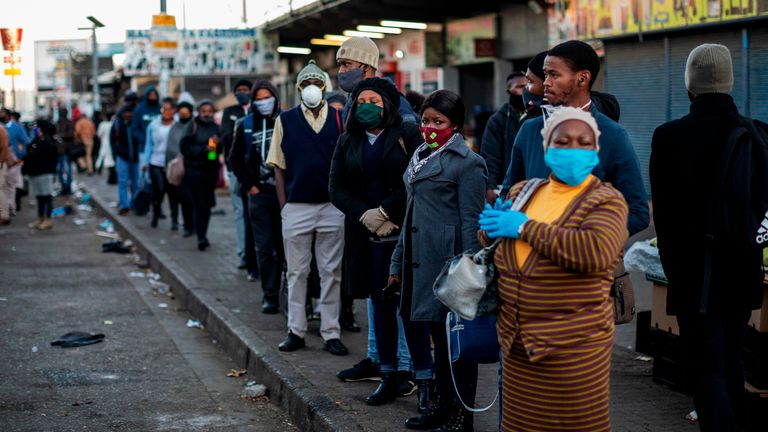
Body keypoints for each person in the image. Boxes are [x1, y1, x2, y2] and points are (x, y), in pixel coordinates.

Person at [480, 107, 628, 432]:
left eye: (583, 141)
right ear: (547, 148)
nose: (573, 148)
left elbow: (596, 252)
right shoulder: (524, 191)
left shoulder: (605, 200)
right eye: (562, 141)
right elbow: (501, 246)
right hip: (519, 346)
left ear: (595, 149)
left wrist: (523, 227)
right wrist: (490, 229)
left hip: (572, 347)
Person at [650, 44, 768, 432]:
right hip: (743, 272)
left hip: (693, 276)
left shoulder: (669, 137)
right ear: (730, 81)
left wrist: (674, 274)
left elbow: (664, 220)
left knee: (705, 371)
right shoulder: (759, 134)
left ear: (689, 84)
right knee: (732, 362)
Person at [388, 90, 487, 431]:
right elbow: (409, 216)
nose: (429, 127)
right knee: (438, 342)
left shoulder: (468, 163)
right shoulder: (419, 155)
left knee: (458, 345)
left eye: (438, 122)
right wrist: (397, 264)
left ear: (455, 125)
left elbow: (472, 220)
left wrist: (469, 271)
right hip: (420, 262)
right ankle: (442, 409)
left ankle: (462, 417)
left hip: (450, 268)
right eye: (425, 120)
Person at [329, 78, 421, 406]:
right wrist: (364, 215)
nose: (367, 106)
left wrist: (385, 210)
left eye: (375, 101)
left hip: (402, 231)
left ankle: (416, 373)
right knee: (379, 303)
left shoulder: (408, 136)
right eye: (361, 100)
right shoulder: (347, 140)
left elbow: (416, 176)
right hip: (366, 235)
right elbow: (336, 187)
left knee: (407, 304)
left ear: (388, 105)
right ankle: (388, 374)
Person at [499, 40, 649, 236]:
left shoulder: (612, 135)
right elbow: (508, 196)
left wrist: (583, 240)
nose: (546, 82)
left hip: (586, 263)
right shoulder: (529, 131)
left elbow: (638, 213)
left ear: (582, 78)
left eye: (554, 75)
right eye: (545, 75)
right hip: (531, 262)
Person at [266, 60, 348, 356]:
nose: (311, 89)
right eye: (305, 84)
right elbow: (278, 167)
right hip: (296, 207)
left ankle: (330, 331)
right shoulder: (285, 120)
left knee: (331, 272)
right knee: (297, 272)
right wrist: (284, 206)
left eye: (316, 83)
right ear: (299, 89)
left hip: (331, 207)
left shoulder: (339, 119)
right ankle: (295, 330)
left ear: (325, 88)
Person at [230, 79, 283, 312]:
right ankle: (269, 294)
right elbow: (235, 159)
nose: (263, 102)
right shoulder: (246, 124)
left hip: (284, 196)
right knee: (264, 246)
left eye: (267, 97)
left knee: (285, 246)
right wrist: (250, 185)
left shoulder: (287, 121)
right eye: (258, 98)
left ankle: (290, 292)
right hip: (259, 195)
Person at [337, 36, 419, 125]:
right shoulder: (350, 101)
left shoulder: (393, 100)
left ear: (366, 67)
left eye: (346, 64)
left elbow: (410, 133)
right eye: (340, 65)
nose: (341, 70)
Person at [481, 72, 528, 204]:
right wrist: (489, 186)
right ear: (509, 91)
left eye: (527, 86)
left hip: (532, 186)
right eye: (520, 86)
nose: (525, 90)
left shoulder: (536, 116)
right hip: (506, 188)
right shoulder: (497, 120)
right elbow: (490, 156)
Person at [221, 79, 254, 271]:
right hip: (236, 169)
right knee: (240, 211)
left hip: (256, 170)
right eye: (239, 90)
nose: (242, 92)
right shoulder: (230, 112)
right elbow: (225, 136)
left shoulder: (257, 111)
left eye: (246, 89)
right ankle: (243, 252)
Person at [180, 101, 221, 251]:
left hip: (210, 172)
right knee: (199, 204)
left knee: (208, 205)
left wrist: (217, 145)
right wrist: (204, 149)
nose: (207, 114)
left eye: (210, 111)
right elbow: (184, 147)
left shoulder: (216, 128)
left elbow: (218, 151)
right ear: (199, 112)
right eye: (204, 111)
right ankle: (201, 237)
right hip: (194, 172)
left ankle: (204, 233)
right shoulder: (192, 126)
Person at [142, 97, 178, 229]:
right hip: (156, 162)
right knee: (158, 190)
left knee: (173, 193)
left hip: (172, 164)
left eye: (169, 109)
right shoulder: (153, 125)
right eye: (163, 109)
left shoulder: (178, 125)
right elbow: (149, 145)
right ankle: (155, 215)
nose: (166, 112)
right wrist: (145, 162)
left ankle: (174, 220)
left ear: (174, 111)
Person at [23, 120, 59, 230]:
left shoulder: (48, 143)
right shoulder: (36, 141)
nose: (36, 130)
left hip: (45, 173)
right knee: (39, 197)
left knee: (47, 197)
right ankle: (40, 218)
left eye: (38, 128)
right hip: (35, 173)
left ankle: (48, 220)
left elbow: (50, 158)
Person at [168, 101, 195, 236]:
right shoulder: (175, 128)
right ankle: (187, 225)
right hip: (182, 170)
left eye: (187, 113)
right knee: (184, 199)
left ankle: (199, 229)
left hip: (199, 169)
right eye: (181, 114)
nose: (184, 116)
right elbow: (171, 148)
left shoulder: (198, 126)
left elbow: (212, 152)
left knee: (198, 201)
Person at [112, 105, 140, 216]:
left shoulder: (135, 124)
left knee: (135, 183)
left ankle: (133, 203)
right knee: (123, 182)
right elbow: (112, 140)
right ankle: (125, 205)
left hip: (135, 158)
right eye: (126, 112)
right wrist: (117, 153)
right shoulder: (118, 124)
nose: (128, 115)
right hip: (123, 158)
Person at [0, 107, 29, 213]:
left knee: (12, 185)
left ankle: (12, 206)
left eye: (2, 112)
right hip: (3, 161)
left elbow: (26, 141)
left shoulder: (16, 127)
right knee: (3, 185)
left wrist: (21, 156)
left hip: (14, 160)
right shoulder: (1, 127)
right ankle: (6, 207)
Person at [132, 86, 161, 155]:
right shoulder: (139, 110)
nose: (152, 97)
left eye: (154, 95)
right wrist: (145, 140)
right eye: (151, 95)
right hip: (143, 147)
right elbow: (135, 129)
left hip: (159, 147)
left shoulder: (160, 109)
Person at [55, 107, 75, 196]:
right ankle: (64, 187)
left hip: (66, 150)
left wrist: (60, 136)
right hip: (59, 151)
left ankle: (68, 187)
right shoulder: (58, 123)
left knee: (67, 170)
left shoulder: (69, 123)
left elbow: (71, 134)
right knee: (59, 170)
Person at [95, 112, 116, 183]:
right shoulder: (113, 123)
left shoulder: (103, 124)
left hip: (105, 142)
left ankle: (100, 170)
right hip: (111, 143)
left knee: (102, 156)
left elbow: (99, 134)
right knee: (110, 158)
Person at [0, 125, 14, 224]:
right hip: (2, 162)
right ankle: (4, 214)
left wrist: (1, 162)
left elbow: (4, 147)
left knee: (1, 189)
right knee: (2, 189)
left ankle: (4, 215)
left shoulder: (1, 130)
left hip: (1, 163)